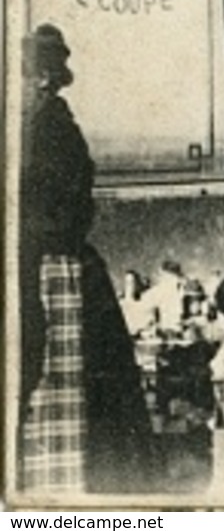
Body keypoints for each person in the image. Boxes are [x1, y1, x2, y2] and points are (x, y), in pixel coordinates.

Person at [18, 26, 153, 494]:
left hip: (53, 271)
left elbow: (66, 212)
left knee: (57, 387)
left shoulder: (54, 129)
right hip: (39, 261)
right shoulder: (36, 125)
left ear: (41, 79)